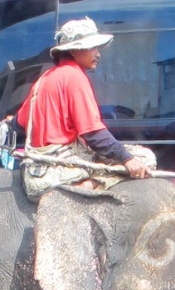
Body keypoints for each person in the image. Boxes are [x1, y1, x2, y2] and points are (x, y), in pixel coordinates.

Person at [13, 17, 155, 197]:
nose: (98, 54)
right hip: (64, 166)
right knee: (145, 158)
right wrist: (128, 159)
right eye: (92, 48)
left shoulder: (44, 79)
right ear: (73, 50)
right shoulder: (74, 77)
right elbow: (93, 134)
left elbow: (19, 124)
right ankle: (90, 184)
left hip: (39, 168)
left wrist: (9, 122)